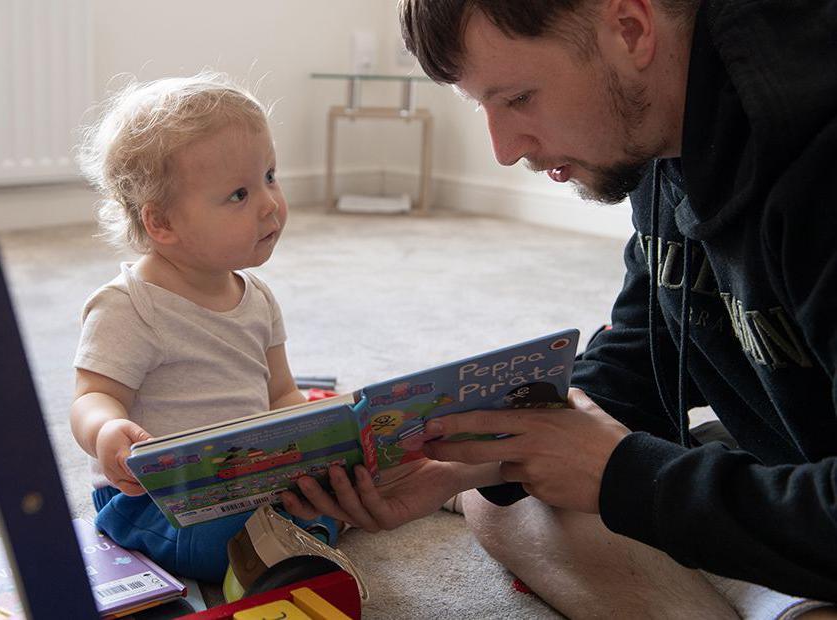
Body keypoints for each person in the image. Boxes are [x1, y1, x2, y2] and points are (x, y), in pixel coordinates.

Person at [281, 0, 837, 615]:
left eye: (518, 99)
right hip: (785, 458)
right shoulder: (665, 130)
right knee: (505, 502)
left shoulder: (817, 158)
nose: (503, 148)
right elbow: (646, 350)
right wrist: (474, 457)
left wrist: (624, 475)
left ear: (630, 29)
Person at [69, 71, 336, 583]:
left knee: (330, 489)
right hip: (158, 500)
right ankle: (281, 556)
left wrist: (312, 441)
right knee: (221, 538)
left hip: (249, 478)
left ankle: (291, 545)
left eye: (270, 177)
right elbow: (90, 396)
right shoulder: (130, 307)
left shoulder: (257, 297)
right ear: (161, 224)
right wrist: (107, 430)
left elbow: (280, 393)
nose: (268, 203)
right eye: (238, 194)